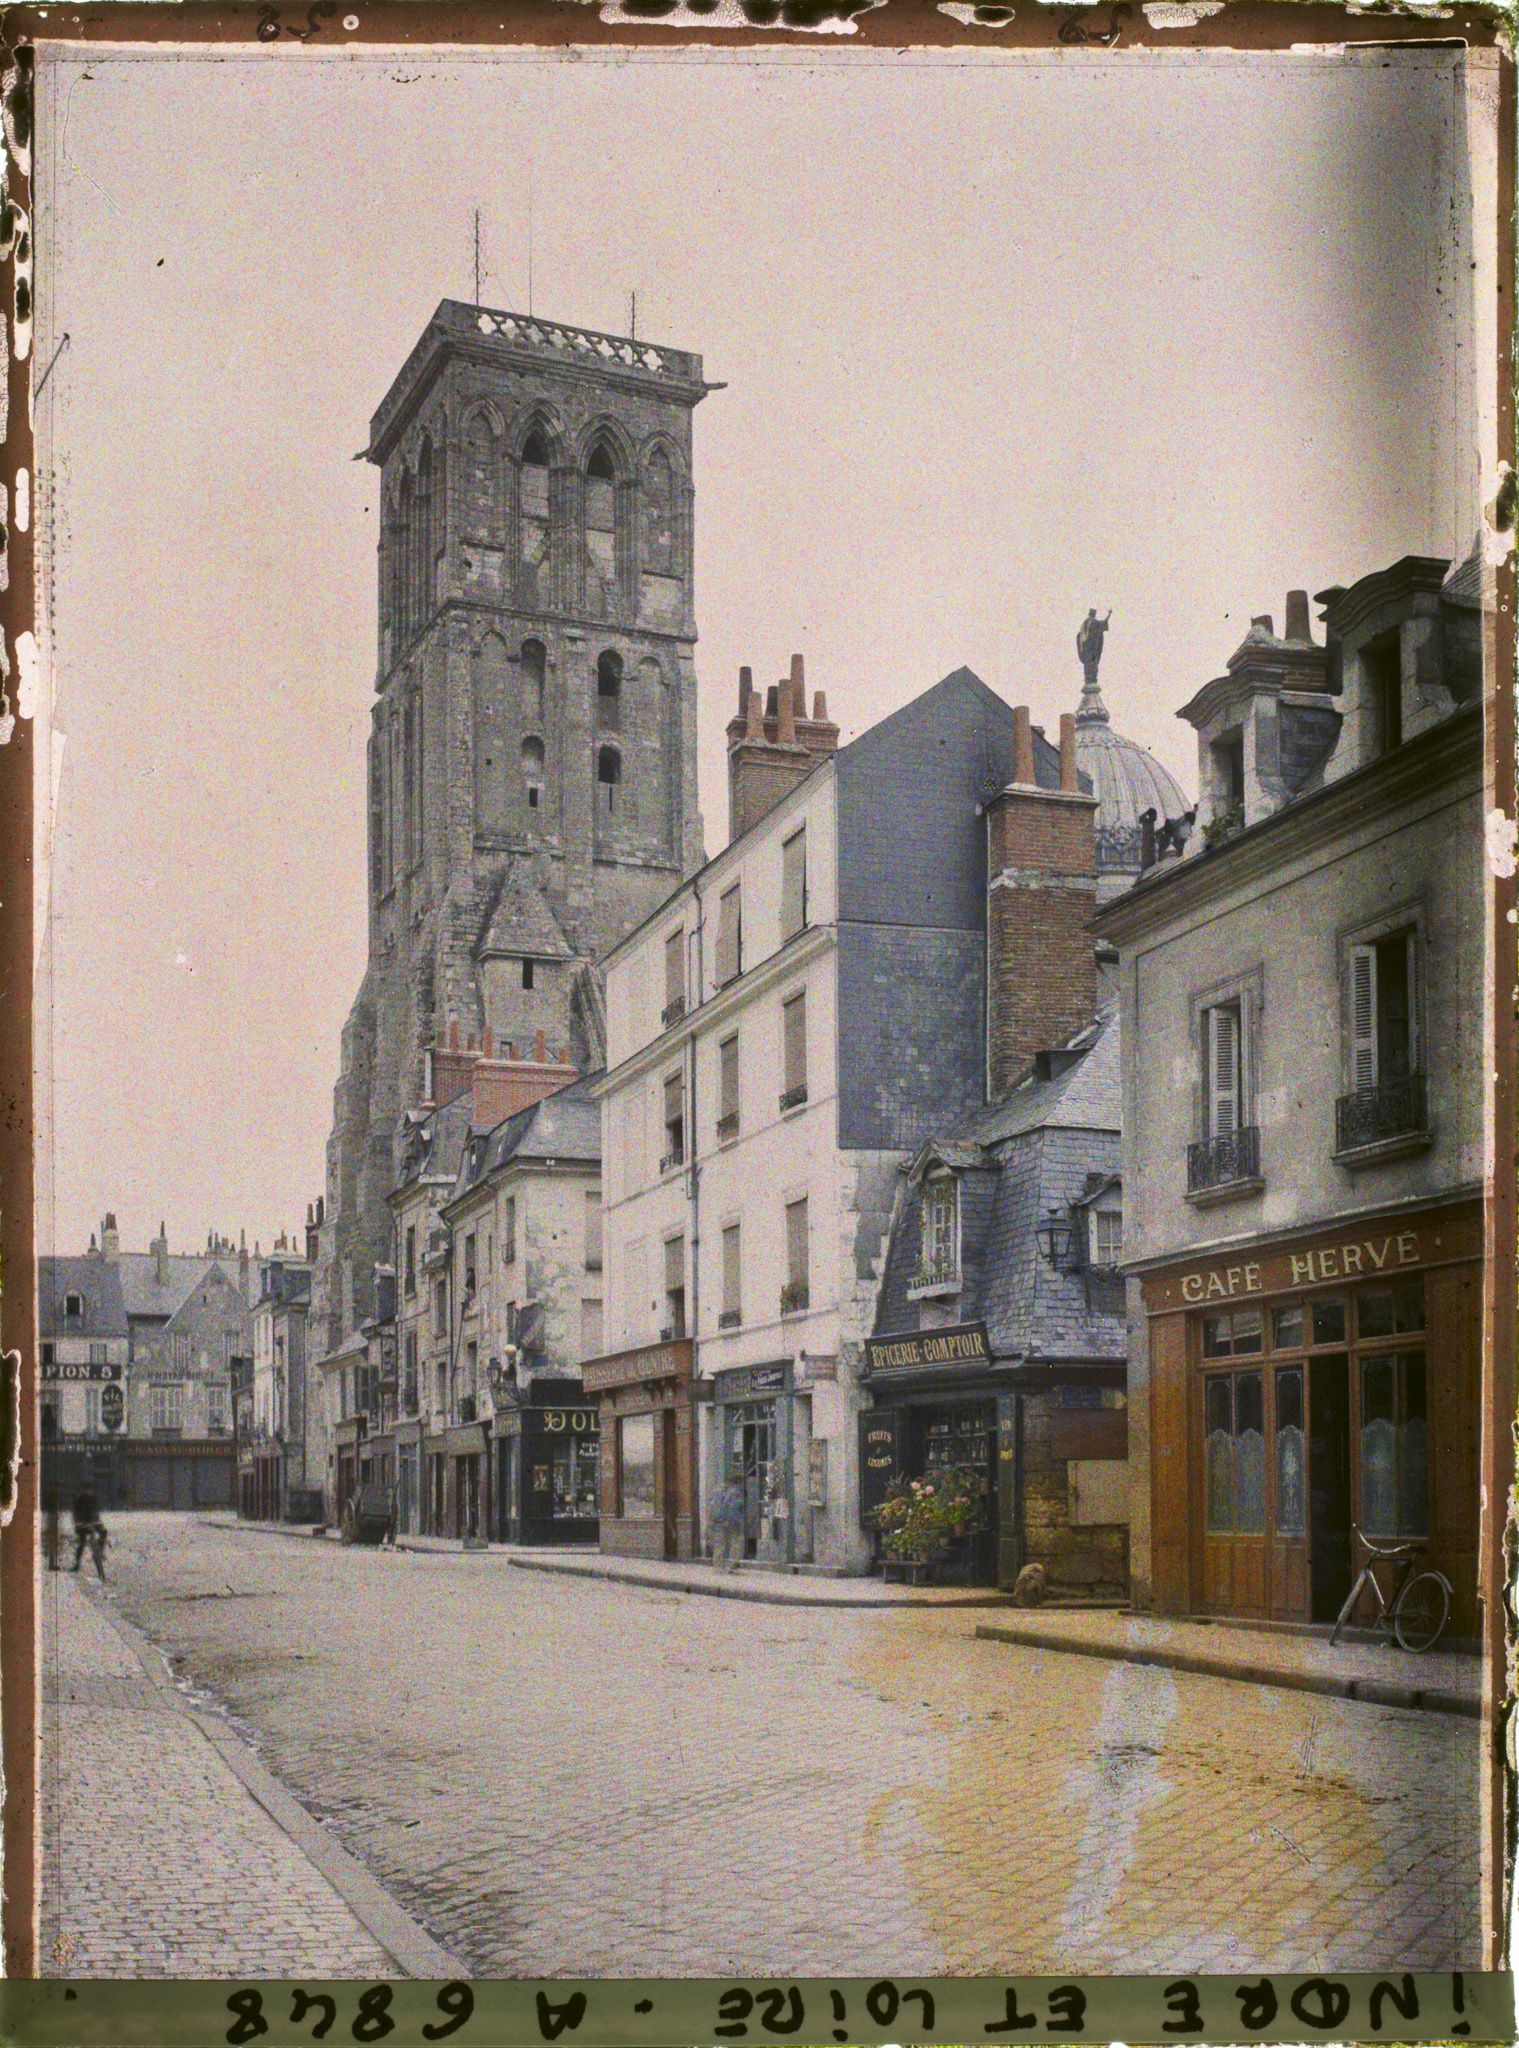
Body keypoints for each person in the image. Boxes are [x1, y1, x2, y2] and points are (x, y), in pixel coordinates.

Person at [710, 1467, 746, 1571]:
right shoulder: (735, 1492)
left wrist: (713, 1519)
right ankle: (732, 1565)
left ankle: (717, 1566)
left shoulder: (718, 1491)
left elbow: (713, 1506)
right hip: (732, 1522)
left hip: (718, 1521)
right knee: (736, 1543)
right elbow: (733, 1508)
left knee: (720, 1544)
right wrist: (730, 1521)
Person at [70, 1486, 106, 1576]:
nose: (89, 1491)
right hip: (82, 1525)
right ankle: (77, 1563)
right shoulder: (79, 1501)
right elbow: (76, 1516)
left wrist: (97, 1523)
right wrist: (80, 1524)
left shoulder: (93, 1499)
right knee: (82, 1544)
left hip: (92, 1524)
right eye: (87, 1489)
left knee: (103, 1532)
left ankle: (100, 1552)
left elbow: (96, 1515)